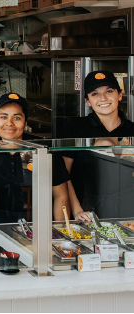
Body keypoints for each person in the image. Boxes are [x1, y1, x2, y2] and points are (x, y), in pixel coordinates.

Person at [0, 93, 70, 224]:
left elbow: (61, 195)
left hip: (39, 226)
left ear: (25, 122)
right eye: (4, 117)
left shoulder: (44, 153)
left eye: (17, 118)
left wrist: (59, 232)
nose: (9, 123)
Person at [60, 70, 134, 221]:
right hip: (87, 211)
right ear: (87, 100)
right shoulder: (74, 126)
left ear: (119, 95)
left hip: (128, 211)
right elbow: (63, 173)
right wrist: (77, 210)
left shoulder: (132, 129)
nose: (103, 98)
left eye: (109, 91)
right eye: (95, 94)